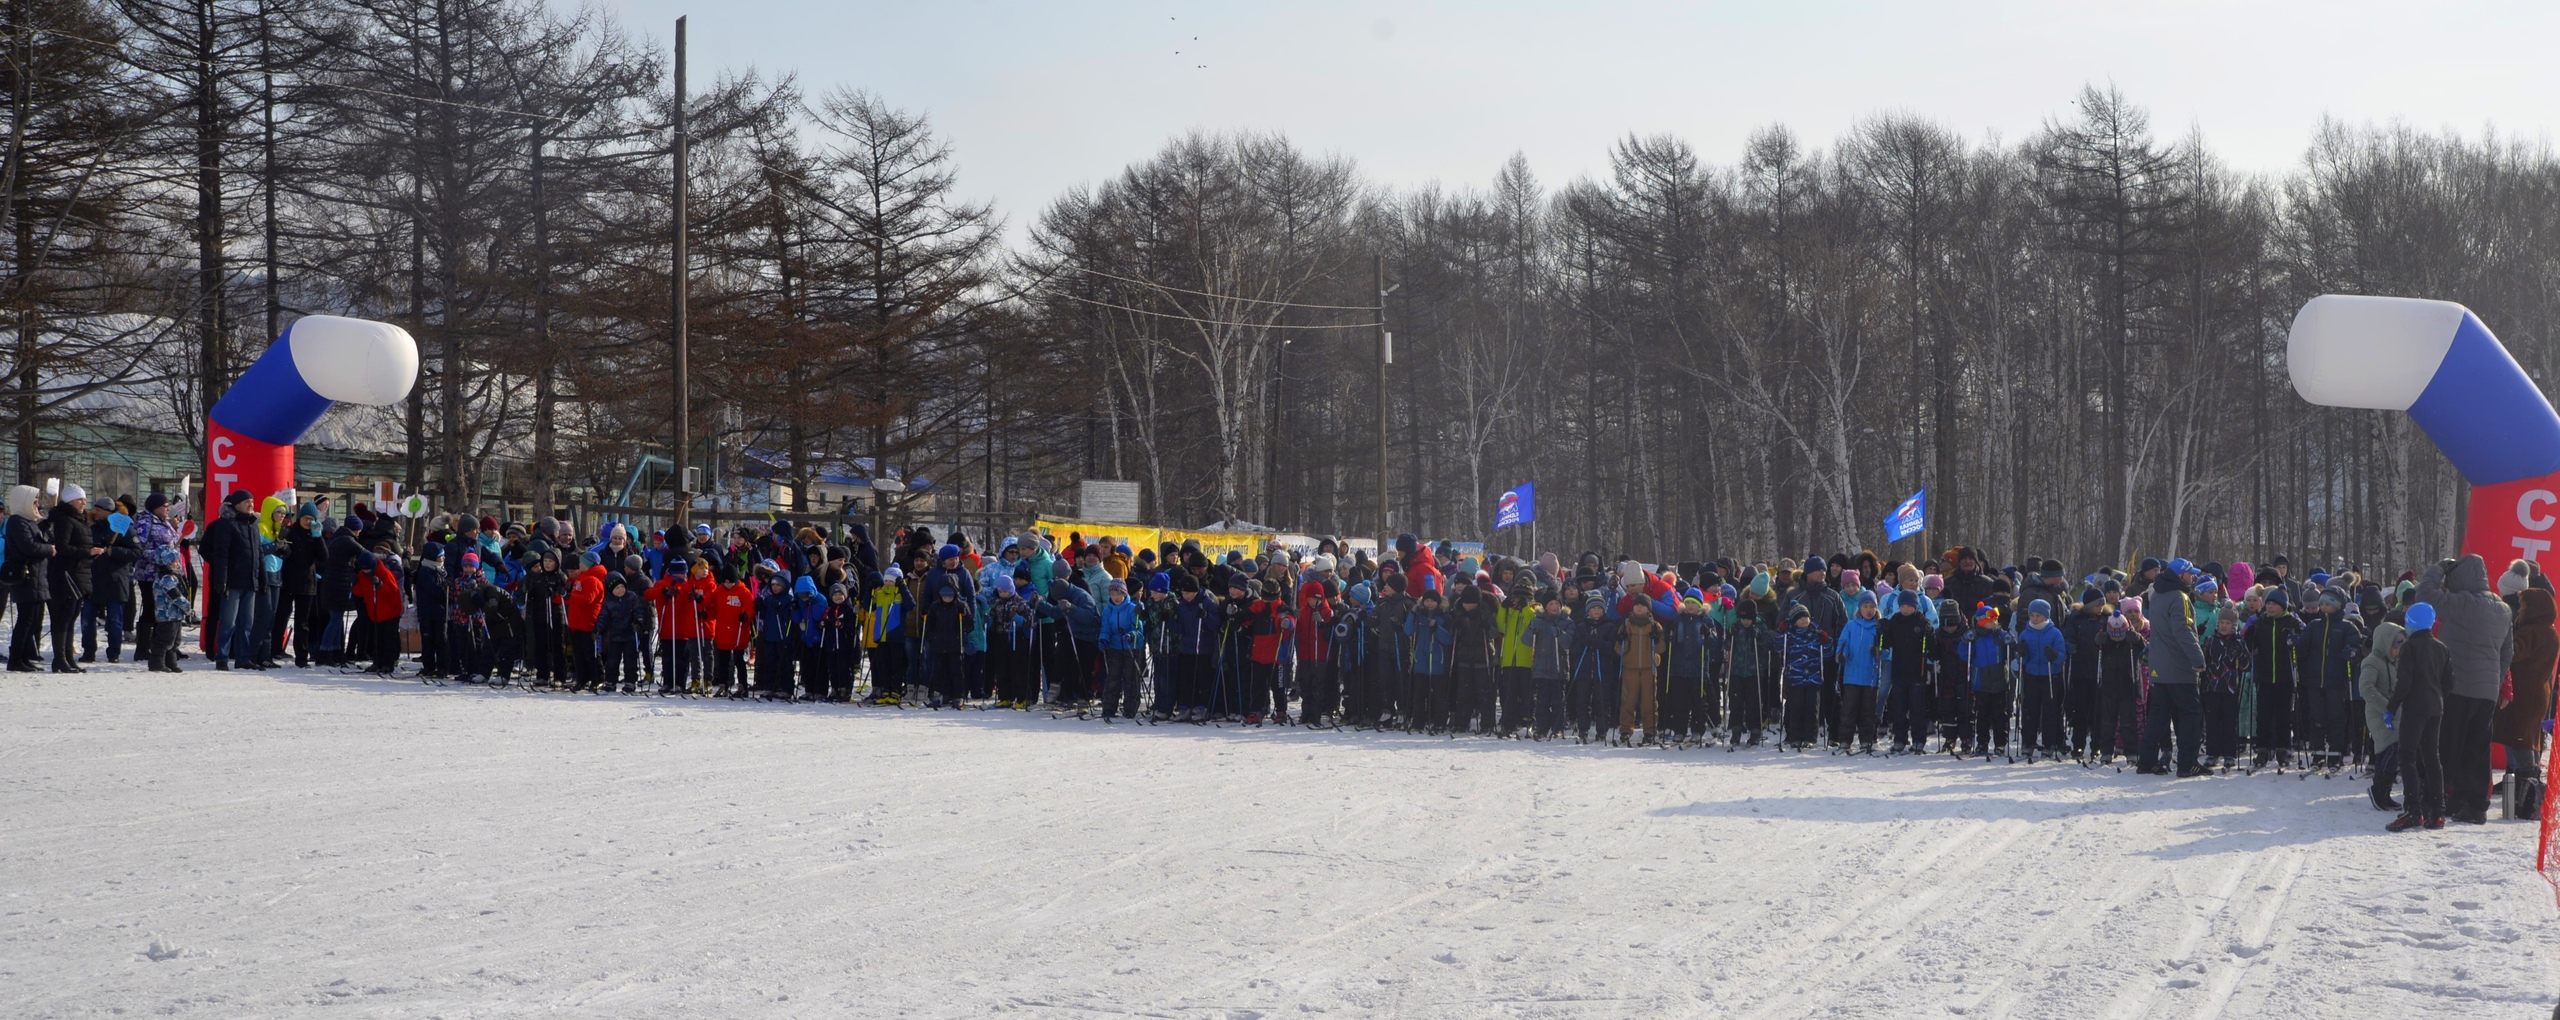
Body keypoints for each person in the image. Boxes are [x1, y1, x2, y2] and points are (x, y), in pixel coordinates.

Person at [2417, 554, 2512, 824]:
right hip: (2486, 693)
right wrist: (2495, 680)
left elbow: (2424, 594)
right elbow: (2507, 651)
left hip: (2456, 687)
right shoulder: (2503, 609)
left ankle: (2438, 801)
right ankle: (2476, 805)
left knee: (2446, 746)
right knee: (2478, 750)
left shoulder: (2461, 603)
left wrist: (2438, 569)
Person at [2139, 559, 2207, 777]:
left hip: (2159, 666)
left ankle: (2147, 761)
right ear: (2180, 576)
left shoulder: (2157, 594)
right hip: (2179, 667)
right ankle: (2188, 763)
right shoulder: (2180, 597)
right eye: (2189, 574)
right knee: (2190, 714)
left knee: (2158, 716)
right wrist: (2198, 659)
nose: (2192, 577)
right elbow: (2183, 631)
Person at [2386, 602, 2449, 832]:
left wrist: (2391, 708)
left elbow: (2404, 683)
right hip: (2436, 708)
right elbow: (2448, 682)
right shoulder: (2441, 648)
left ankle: (2413, 810)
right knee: (2432, 758)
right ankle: (2438, 812)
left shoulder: (2410, 648)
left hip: (2415, 708)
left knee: (2408, 756)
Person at [2497, 585, 2556, 820]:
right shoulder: (2548, 631)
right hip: (2535, 695)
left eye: (2523, 605)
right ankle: (2526, 798)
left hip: (2524, 697)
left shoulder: (2533, 632)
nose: (2520, 610)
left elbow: (2512, 653)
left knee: (2520, 742)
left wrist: (2502, 637)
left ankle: (2529, 800)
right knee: (2526, 742)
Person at [197, 490, 257, 670]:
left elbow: (257, 555)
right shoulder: (225, 525)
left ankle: (243, 658)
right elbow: (220, 554)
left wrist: (259, 579)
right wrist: (221, 578)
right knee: (228, 622)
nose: (251, 504)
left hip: (249, 581)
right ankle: (221, 657)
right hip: (231, 582)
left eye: (252, 501)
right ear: (236, 504)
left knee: (246, 623)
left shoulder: (253, 525)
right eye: (247, 501)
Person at [2360, 616, 2405, 811]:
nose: (2397, 651)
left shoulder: (2393, 663)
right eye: (2395, 646)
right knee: (2390, 750)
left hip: (2393, 714)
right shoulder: (2372, 661)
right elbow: (2366, 688)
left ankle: (2384, 792)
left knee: (2391, 752)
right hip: (2379, 714)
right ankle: (2379, 791)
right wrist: (2388, 707)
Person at [2014, 599, 2068, 759]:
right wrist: (2021, 653)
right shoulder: (2025, 633)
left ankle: (2049, 743)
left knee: (2049, 711)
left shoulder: (2054, 633)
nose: (2035, 618)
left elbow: (2062, 656)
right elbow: (2022, 657)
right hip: (2032, 675)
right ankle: (2028, 742)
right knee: (2030, 710)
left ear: (2046, 616)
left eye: (2038, 615)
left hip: (2051, 676)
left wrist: (2055, 655)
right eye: (2032, 615)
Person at [1835, 593, 1884, 752]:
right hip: (1852, 676)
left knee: (1868, 711)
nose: (1869, 610)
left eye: (1872, 607)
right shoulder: (1851, 626)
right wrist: (1842, 654)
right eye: (1865, 606)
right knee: (1849, 710)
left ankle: (1867, 739)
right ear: (1860, 608)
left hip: (1870, 677)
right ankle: (1845, 740)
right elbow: (1843, 644)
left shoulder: (1879, 627)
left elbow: (1887, 649)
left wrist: (1879, 651)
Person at [1616, 597, 1664, 746]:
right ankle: (1625, 730)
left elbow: (1661, 649)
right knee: (1628, 701)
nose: (1639, 607)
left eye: (1642, 605)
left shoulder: (1655, 626)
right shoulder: (1626, 625)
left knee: (1649, 702)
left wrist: (1657, 640)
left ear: (1648, 609)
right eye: (1636, 605)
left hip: (1649, 669)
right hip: (1630, 668)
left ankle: (1650, 731)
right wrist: (1622, 640)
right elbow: (1619, 650)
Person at [1097, 579, 1143, 721]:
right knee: (1113, 678)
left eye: (1118, 594)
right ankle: (1109, 708)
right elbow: (1105, 628)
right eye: (1112, 594)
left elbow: (1139, 630)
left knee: (1131, 678)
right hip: (1115, 648)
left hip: (1132, 648)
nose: (1116, 597)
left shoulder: (1132, 608)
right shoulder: (1108, 610)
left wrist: (1131, 635)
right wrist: (1103, 638)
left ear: (1124, 593)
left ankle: (1130, 708)